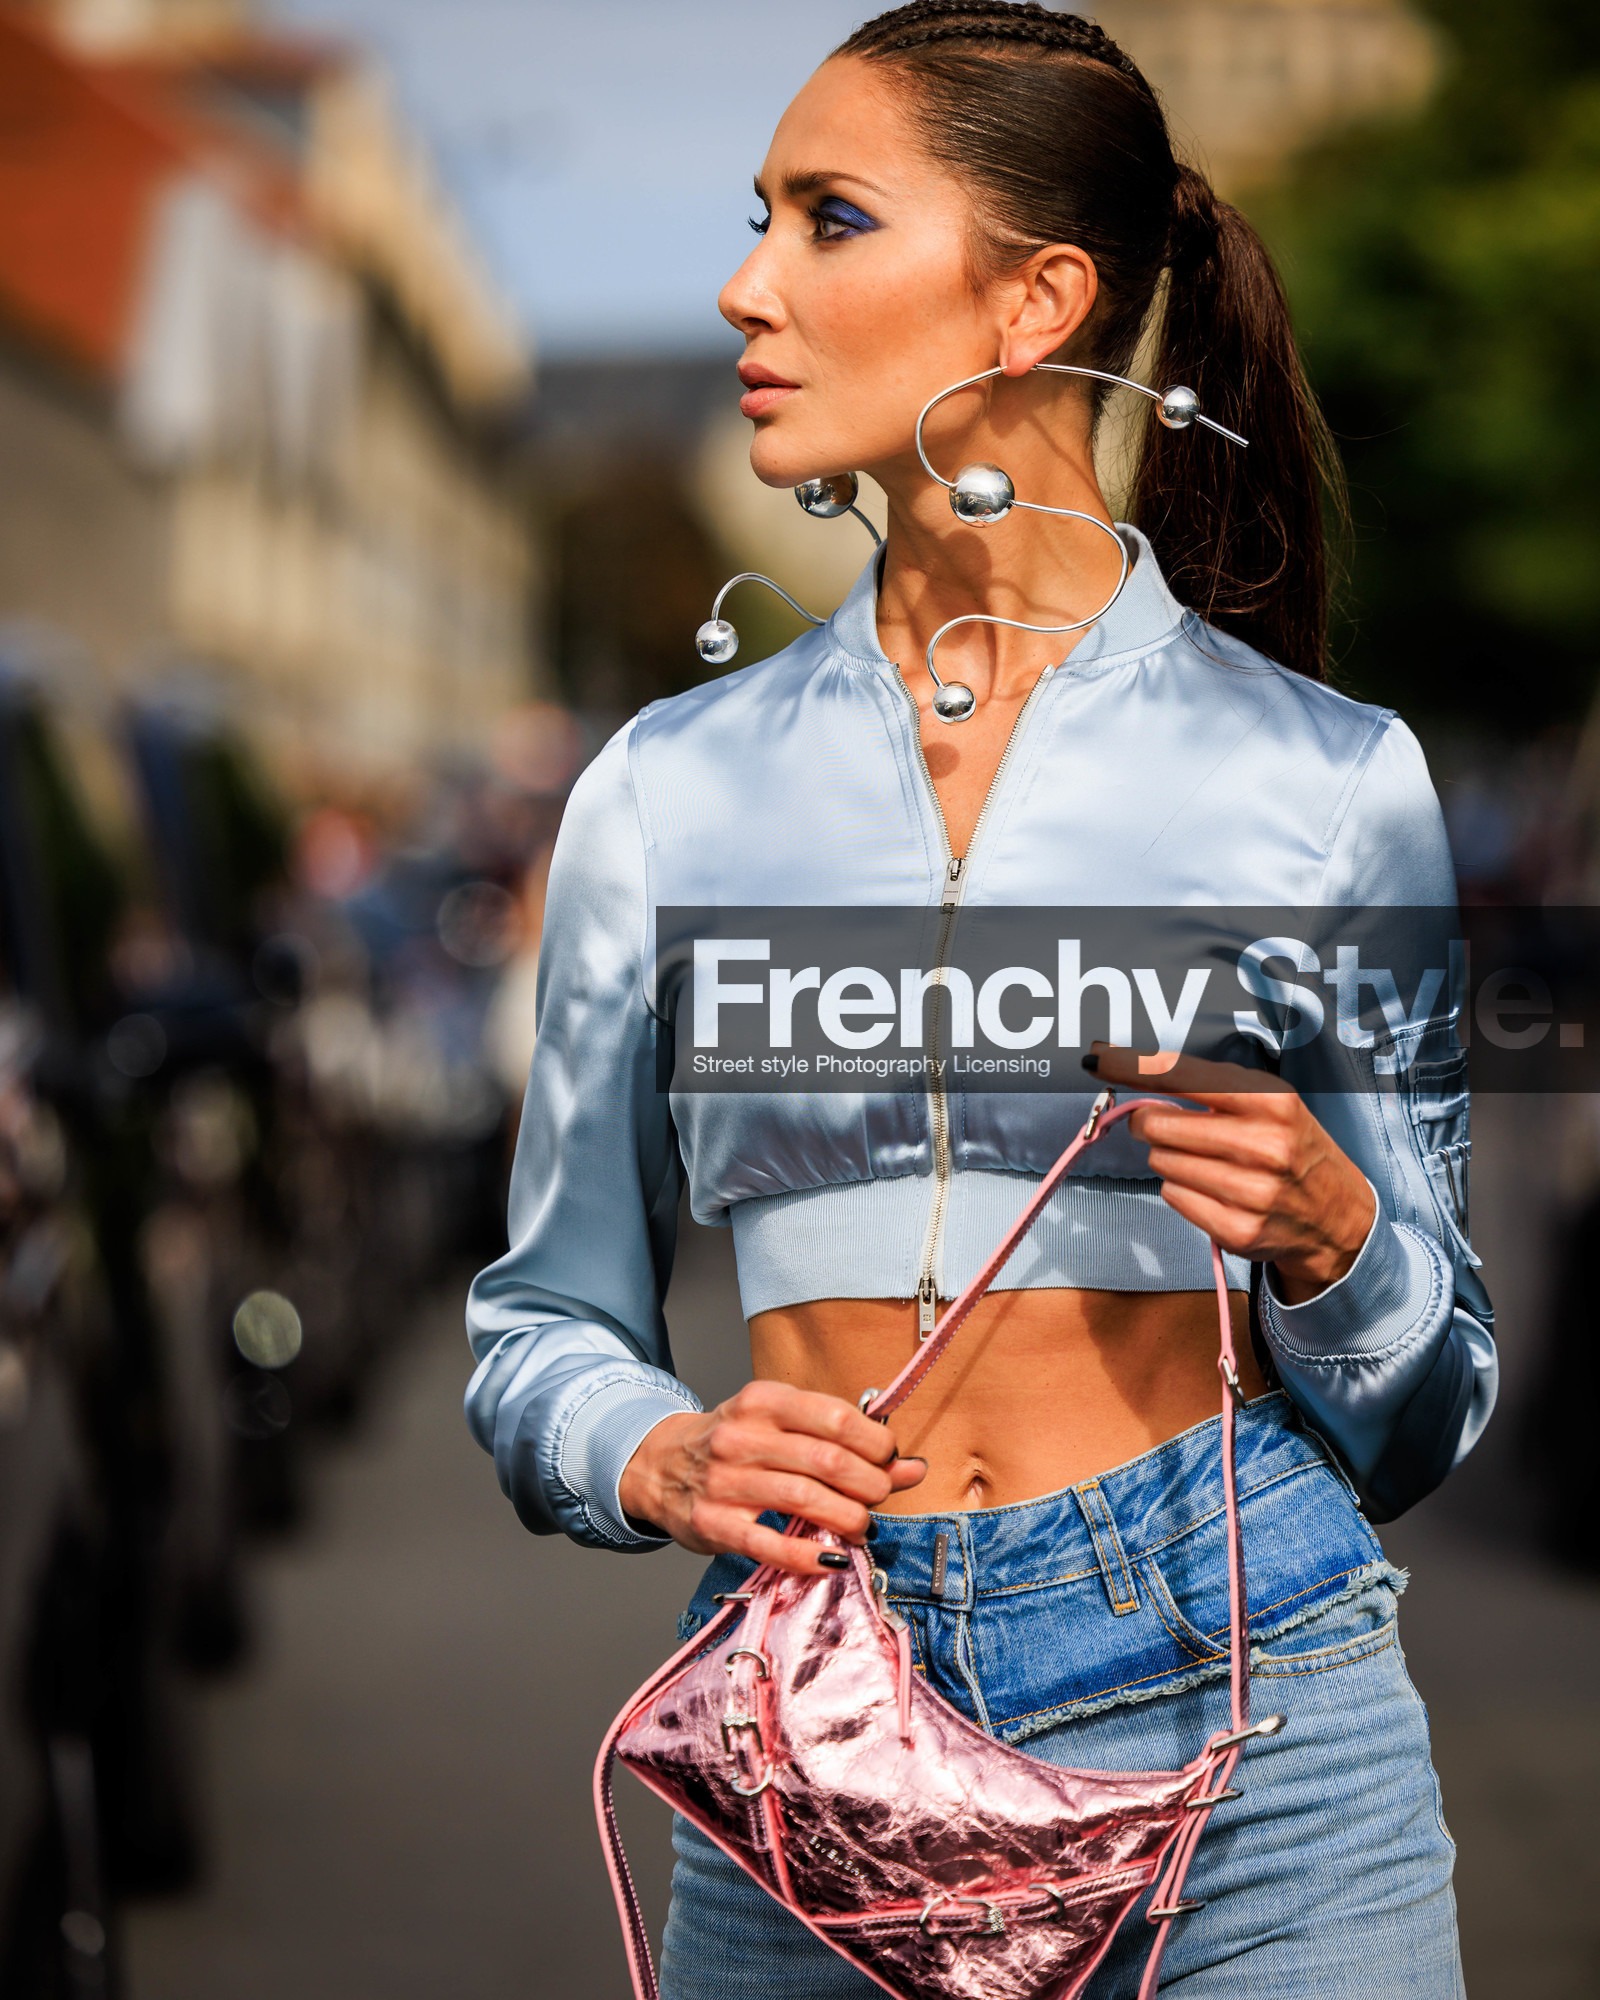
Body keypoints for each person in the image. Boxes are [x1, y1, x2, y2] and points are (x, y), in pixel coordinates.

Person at [465, 6, 1494, 1993]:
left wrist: (1330, 1236)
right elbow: (542, 1319)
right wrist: (653, 1454)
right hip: (814, 1737)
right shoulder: (663, 793)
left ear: (1036, 298)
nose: (742, 283)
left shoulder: (1325, 782)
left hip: (1253, 1718)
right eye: (754, 216)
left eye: (825, 218)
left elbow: (1432, 1394)